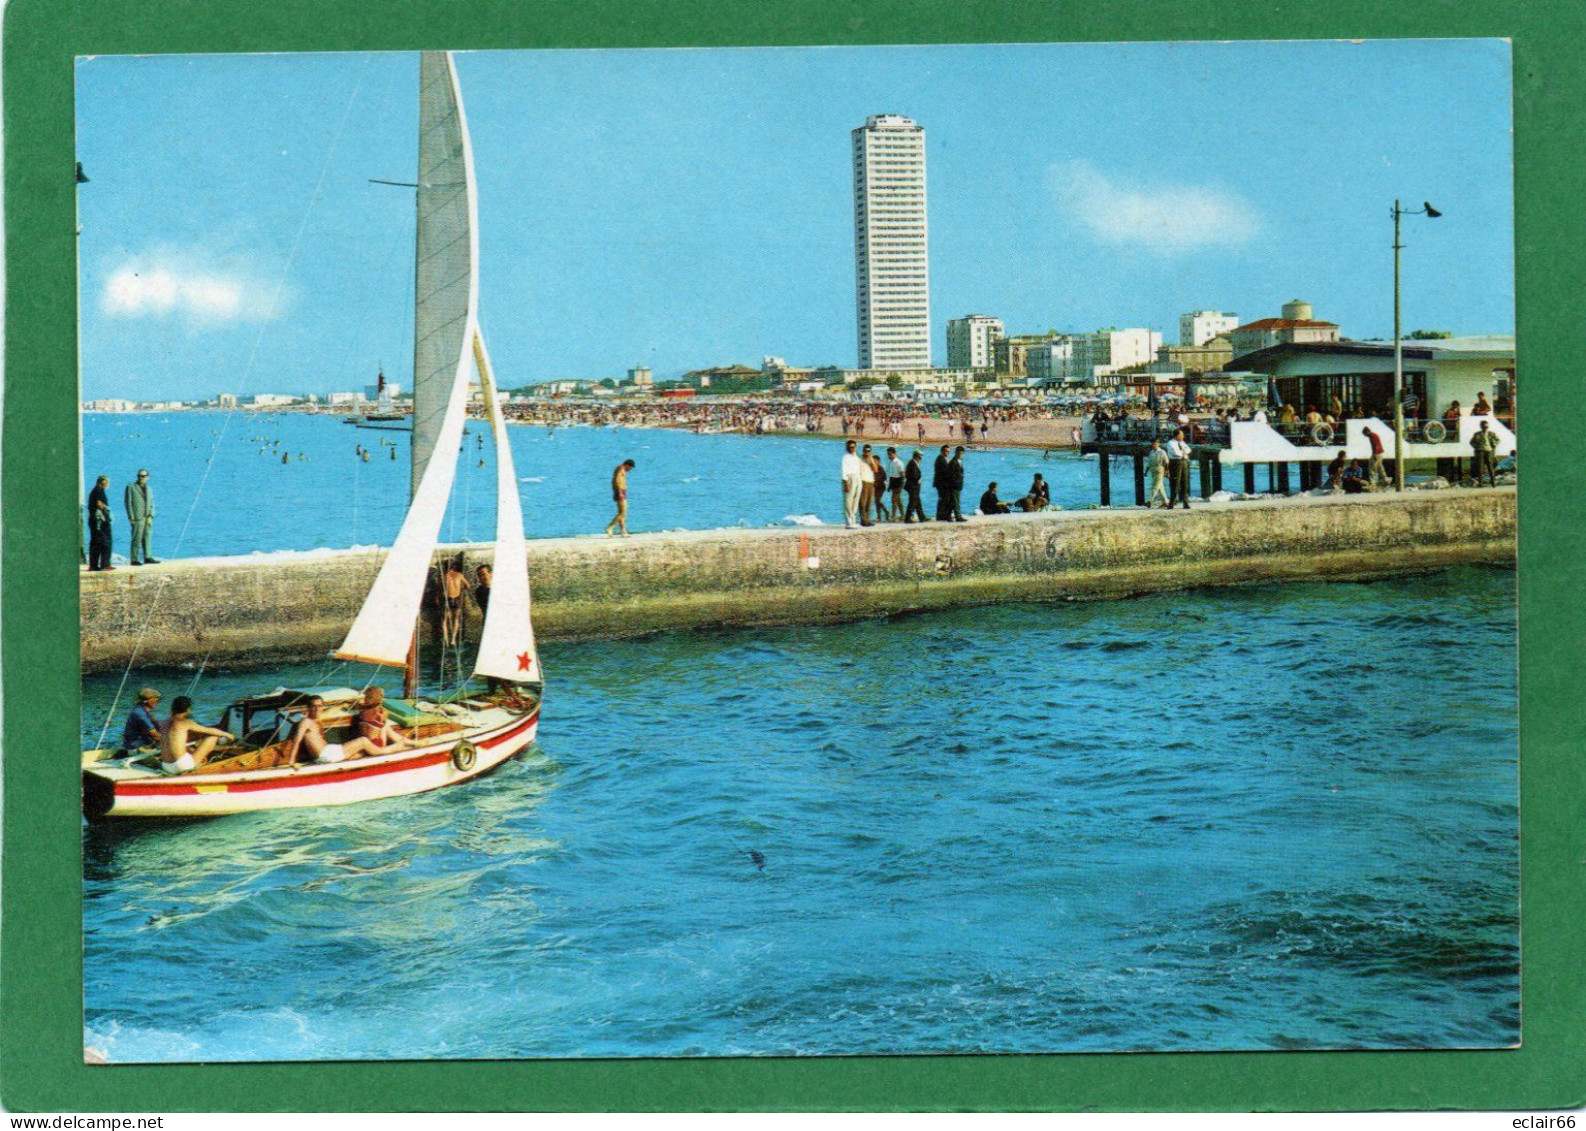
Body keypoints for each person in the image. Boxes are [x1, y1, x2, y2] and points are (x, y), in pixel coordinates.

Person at [285, 695, 392, 765]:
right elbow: (297, 739)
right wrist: (291, 759)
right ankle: (386, 754)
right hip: (326, 754)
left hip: (327, 753)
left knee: (359, 754)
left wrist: (344, 705)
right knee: (363, 741)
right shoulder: (306, 721)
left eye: (319, 706)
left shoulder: (316, 718)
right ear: (308, 708)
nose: (317, 709)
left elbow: (330, 711)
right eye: (313, 706)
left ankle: (373, 759)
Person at [159, 695, 234, 775]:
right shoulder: (185, 722)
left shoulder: (164, 723)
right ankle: (208, 758)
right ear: (188, 709)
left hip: (166, 766)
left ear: (172, 708)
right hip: (181, 766)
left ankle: (198, 759)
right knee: (213, 737)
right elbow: (209, 730)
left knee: (187, 747)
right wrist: (228, 735)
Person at [124, 468, 158, 565]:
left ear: (147, 477)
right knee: (136, 538)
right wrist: (131, 516)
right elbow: (128, 503)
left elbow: (152, 503)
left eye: (143, 476)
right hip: (137, 517)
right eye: (139, 476)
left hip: (147, 517)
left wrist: (151, 516)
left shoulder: (149, 489)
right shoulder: (131, 487)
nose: (141, 478)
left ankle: (148, 557)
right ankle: (134, 559)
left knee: (147, 537)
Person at [441, 553, 472, 646]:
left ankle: (446, 641)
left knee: (444, 620)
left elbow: (440, 589)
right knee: (456, 619)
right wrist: (461, 588)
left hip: (447, 599)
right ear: (454, 566)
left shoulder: (444, 576)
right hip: (457, 598)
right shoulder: (460, 575)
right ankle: (453, 640)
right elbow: (468, 586)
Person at [120, 687, 162, 754]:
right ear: (145, 701)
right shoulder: (141, 714)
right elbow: (154, 734)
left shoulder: (140, 710)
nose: (156, 701)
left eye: (157, 700)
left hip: (135, 744)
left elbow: (157, 726)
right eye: (154, 699)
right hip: (136, 748)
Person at [87, 475, 115, 571]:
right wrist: (106, 508)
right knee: (105, 542)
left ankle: (93, 565)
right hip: (100, 521)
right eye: (107, 482)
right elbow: (99, 504)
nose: (108, 484)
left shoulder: (95, 490)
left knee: (95, 542)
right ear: (103, 482)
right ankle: (105, 564)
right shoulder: (99, 491)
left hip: (94, 521)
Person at [604, 459, 636, 536]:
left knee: (621, 512)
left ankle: (623, 531)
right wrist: (620, 492)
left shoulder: (621, 469)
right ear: (627, 465)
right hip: (620, 491)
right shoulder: (620, 468)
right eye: (630, 468)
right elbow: (617, 480)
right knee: (623, 512)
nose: (630, 470)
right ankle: (610, 527)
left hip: (620, 491)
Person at [840, 440, 867, 529]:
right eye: (849, 447)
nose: (851, 449)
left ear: (855, 447)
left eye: (853, 447)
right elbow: (844, 471)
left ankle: (853, 520)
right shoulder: (846, 457)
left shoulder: (857, 457)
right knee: (848, 500)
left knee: (856, 499)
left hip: (858, 478)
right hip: (850, 478)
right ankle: (848, 522)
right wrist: (846, 483)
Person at [1166, 429, 1192, 510]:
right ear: (1177, 436)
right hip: (1175, 462)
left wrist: (1183, 452)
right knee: (1175, 483)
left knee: (1185, 482)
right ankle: (1172, 503)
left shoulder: (1182, 442)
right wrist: (1183, 452)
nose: (1183, 436)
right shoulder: (1171, 443)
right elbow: (1175, 453)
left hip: (1184, 462)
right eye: (1181, 435)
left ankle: (1185, 502)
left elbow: (1189, 450)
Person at [1470, 419, 1500, 486]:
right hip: (1480, 452)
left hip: (1489, 452)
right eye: (1484, 427)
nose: (1485, 428)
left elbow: (1498, 440)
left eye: (1486, 427)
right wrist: (1476, 447)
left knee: (1490, 467)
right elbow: (1471, 442)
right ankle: (1480, 483)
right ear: (1481, 427)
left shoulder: (1491, 434)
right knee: (1480, 468)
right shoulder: (1477, 434)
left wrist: (1494, 444)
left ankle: (1493, 482)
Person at [856, 444, 879, 527]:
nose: (867, 453)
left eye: (868, 451)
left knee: (869, 502)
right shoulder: (859, 459)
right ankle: (863, 520)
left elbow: (876, 470)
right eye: (865, 451)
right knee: (862, 502)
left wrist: (870, 459)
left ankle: (867, 520)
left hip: (870, 482)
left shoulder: (871, 459)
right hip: (863, 481)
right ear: (863, 451)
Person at [903, 450, 926, 523]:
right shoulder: (912, 463)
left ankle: (922, 517)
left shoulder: (913, 462)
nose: (921, 458)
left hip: (914, 486)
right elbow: (911, 475)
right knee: (912, 502)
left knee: (917, 502)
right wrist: (917, 480)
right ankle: (907, 519)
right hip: (913, 486)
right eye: (920, 456)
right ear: (916, 456)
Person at [1145, 439, 1170, 508]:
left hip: (1160, 469)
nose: (1154, 446)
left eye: (1155, 444)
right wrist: (1146, 471)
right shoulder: (1151, 452)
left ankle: (1150, 501)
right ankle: (1166, 501)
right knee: (1160, 487)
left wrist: (1167, 471)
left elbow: (1167, 462)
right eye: (1153, 444)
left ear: (1158, 444)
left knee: (1155, 486)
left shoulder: (1162, 452)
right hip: (1153, 470)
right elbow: (1149, 462)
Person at [946, 446, 968, 521]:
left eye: (962, 453)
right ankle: (958, 516)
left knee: (953, 501)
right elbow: (950, 475)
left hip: (957, 485)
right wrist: (954, 484)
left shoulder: (959, 461)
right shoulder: (953, 462)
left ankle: (948, 516)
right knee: (955, 501)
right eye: (959, 453)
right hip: (954, 485)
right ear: (956, 453)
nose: (960, 455)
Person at [932, 444, 952, 521]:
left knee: (943, 499)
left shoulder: (942, 459)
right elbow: (944, 472)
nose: (948, 453)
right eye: (946, 451)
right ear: (942, 451)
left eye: (949, 451)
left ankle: (941, 515)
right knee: (944, 499)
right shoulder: (941, 460)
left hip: (940, 483)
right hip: (941, 483)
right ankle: (942, 516)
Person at [885, 446, 905, 521]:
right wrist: (889, 485)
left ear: (894, 453)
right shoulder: (891, 462)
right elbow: (891, 474)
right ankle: (902, 515)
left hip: (898, 482)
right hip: (893, 481)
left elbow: (902, 474)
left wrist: (901, 486)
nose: (888, 456)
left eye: (889, 454)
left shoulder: (899, 462)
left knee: (894, 499)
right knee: (898, 500)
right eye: (888, 454)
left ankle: (893, 516)